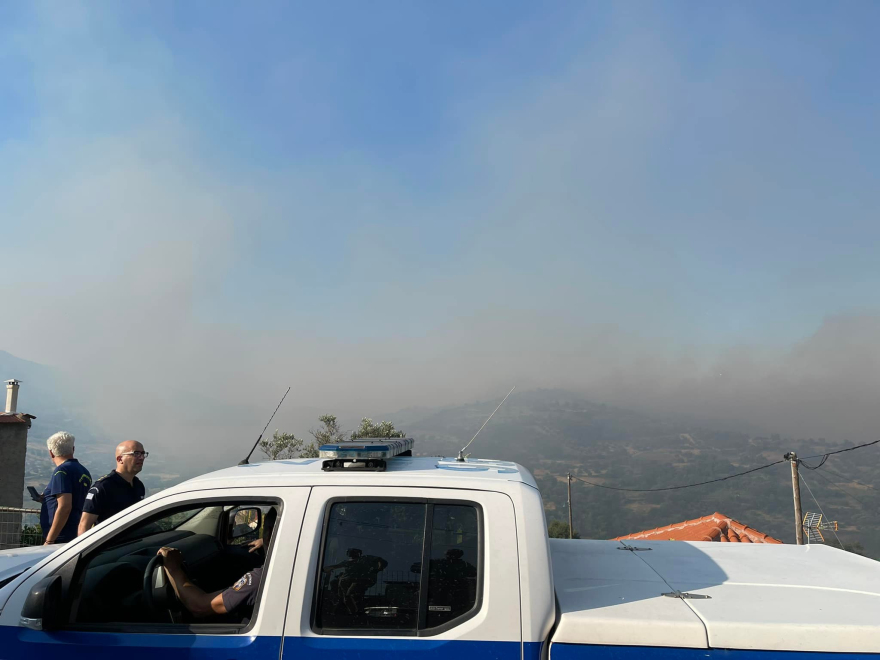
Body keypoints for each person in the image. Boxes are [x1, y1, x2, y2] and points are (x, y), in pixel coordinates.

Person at [156, 508, 278, 618]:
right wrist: (268, 540)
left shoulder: (261, 580)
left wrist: (173, 568)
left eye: (265, 532)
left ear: (269, 534)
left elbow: (200, 607)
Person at [78, 440, 147, 535]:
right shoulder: (103, 487)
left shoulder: (138, 485)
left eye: (143, 453)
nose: (141, 457)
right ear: (120, 459)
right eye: (136, 453)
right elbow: (84, 525)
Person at [38, 432, 92, 545]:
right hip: (75, 529)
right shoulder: (84, 471)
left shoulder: (61, 471)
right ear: (73, 449)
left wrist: (50, 540)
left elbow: (65, 507)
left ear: (51, 453)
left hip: (60, 535)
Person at [323, 548, 388, 614]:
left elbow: (382, 561)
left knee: (350, 594)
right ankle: (352, 612)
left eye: (353, 552)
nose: (351, 554)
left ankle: (356, 613)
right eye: (350, 552)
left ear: (358, 553)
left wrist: (378, 569)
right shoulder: (346, 562)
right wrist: (326, 568)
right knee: (345, 597)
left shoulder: (365, 558)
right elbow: (336, 566)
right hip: (345, 584)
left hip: (360, 581)